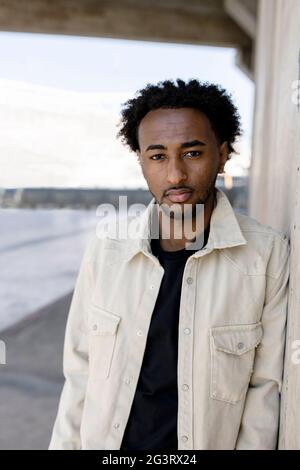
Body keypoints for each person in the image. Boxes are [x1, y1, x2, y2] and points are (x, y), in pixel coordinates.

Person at [49, 79, 290, 450]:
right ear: (142, 161)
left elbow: (264, 393)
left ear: (223, 154)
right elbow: (79, 376)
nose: (175, 175)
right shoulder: (106, 251)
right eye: (158, 156)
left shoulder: (266, 256)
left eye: (192, 153)